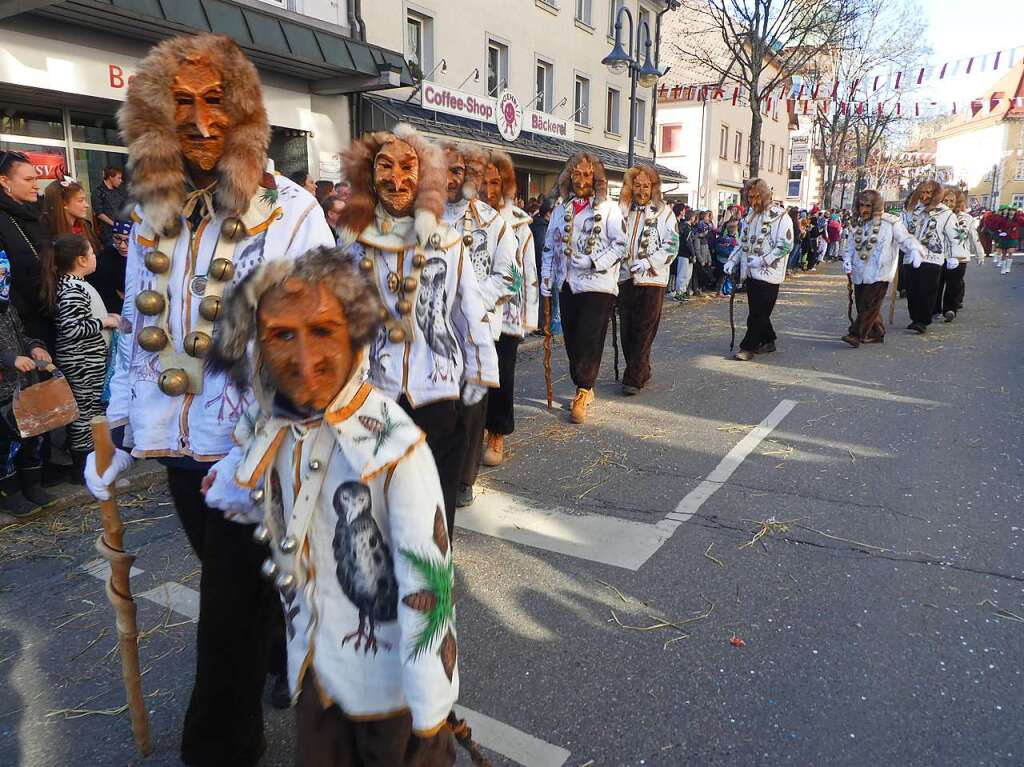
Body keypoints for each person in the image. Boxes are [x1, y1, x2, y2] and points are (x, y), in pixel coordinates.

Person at [84, 34, 334, 767]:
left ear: (245, 110)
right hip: (176, 446)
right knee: (237, 583)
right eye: (181, 103)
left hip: (260, 454)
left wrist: (260, 452)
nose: (199, 120)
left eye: (215, 101)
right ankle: (285, 646)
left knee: (223, 615)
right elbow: (135, 326)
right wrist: (123, 434)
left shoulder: (291, 213)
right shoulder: (150, 212)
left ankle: (221, 747)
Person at [204, 248, 459, 767]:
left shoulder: (392, 447)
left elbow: (428, 586)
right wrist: (233, 489)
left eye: (322, 331)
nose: (304, 361)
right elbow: (277, 509)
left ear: (355, 334)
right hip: (315, 670)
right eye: (281, 335)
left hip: (389, 693)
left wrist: (430, 706)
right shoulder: (273, 425)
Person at [336, 124, 497, 534]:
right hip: (375, 393)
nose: (395, 178)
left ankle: (435, 581)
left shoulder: (447, 241)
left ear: (425, 176)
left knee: (436, 504)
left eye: (408, 167)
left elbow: (469, 310)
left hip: (438, 389)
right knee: (382, 501)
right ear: (368, 177)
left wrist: (479, 371)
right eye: (384, 167)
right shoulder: (353, 246)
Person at [438, 141, 517, 508]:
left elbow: (508, 278)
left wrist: (468, 303)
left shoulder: (494, 222)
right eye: (442, 170)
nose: (449, 178)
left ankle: (464, 478)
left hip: (476, 332)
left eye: (456, 171)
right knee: (439, 408)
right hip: (435, 333)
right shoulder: (423, 218)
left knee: (471, 410)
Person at [540, 152, 621, 424]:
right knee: (572, 338)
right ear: (568, 177)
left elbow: (619, 245)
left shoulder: (608, 209)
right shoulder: (561, 210)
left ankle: (584, 388)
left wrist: (593, 261)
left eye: (587, 175)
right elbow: (550, 245)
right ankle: (585, 382)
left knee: (588, 335)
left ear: (596, 178)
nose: (581, 180)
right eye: (576, 174)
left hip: (598, 285)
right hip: (567, 283)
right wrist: (546, 278)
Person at [39, 233, 119, 481]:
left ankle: (93, 465)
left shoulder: (76, 284)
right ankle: (84, 469)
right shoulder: (73, 288)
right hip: (83, 363)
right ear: (82, 260)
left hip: (90, 362)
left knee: (91, 411)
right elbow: (73, 328)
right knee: (86, 415)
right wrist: (105, 321)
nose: (96, 257)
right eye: (93, 253)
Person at [476, 148, 538, 466]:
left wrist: (529, 317)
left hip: (507, 315)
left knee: (502, 375)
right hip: (470, 317)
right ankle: (471, 433)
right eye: (483, 181)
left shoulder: (518, 226)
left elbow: (525, 274)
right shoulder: (460, 220)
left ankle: (496, 433)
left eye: (495, 182)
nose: (489, 190)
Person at [613, 164, 678, 395]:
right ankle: (642, 368)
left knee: (644, 330)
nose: (642, 190)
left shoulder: (664, 213)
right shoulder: (623, 212)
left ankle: (633, 378)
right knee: (628, 331)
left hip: (652, 280)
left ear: (654, 188)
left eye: (646, 186)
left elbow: (672, 245)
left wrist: (649, 262)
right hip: (625, 279)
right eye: (637, 185)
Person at [0, 245, 54, 516]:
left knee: (33, 436)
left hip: (25, 385)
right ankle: (10, 492)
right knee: (6, 443)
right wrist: (10, 359)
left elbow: (23, 334)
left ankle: (32, 484)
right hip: (3, 389)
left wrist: (34, 347)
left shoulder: (7, 307)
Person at [841, 190, 924, 347]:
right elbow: (850, 245)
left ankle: (856, 335)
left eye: (868, 205)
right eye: (861, 205)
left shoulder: (891, 222)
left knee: (869, 303)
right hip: (860, 271)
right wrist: (846, 259)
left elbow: (905, 238)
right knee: (862, 304)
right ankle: (876, 332)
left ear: (875, 206)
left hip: (881, 271)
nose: (863, 209)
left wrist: (914, 249)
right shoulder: (858, 223)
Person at [724, 178, 794, 362]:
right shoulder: (749, 217)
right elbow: (742, 243)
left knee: (758, 313)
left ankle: (748, 346)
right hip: (751, 273)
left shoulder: (781, 217)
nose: (752, 201)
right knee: (758, 311)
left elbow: (785, 245)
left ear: (764, 195)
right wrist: (732, 260)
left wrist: (764, 260)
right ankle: (769, 339)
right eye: (749, 197)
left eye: (755, 197)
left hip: (770, 274)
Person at [904, 180, 967, 334]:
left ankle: (922, 321)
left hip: (933, 257)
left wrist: (954, 256)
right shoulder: (911, 210)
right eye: (922, 192)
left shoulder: (945, 213)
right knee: (912, 289)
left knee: (927, 289)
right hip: (911, 256)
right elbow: (902, 232)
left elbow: (956, 236)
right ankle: (915, 317)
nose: (925, 196)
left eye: (929, 193)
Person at [0, 151, 48, 342]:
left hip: (47, 313)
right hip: (21, 329)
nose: (36, 185)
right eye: (28, 179)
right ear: (4, 181)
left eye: (36, 179)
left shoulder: (33, 214)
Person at [933, 187, 981, 322]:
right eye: (946, 200)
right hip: (940, 255)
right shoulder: (935, 216)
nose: (949, 203)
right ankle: (934, 309)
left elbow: (974, 236)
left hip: (960, 256)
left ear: (958, 202)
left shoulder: (967, 218)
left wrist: (980, 253)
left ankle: (950, 309)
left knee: (954, 283)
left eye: (952, 200)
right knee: (937, 283)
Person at [41, 179, 101, 253]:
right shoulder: (47, 234)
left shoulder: (86, 226)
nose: (87, 205)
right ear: (64, 203)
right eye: (80, 200)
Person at [89, 219, 132, 313]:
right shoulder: (104, 258)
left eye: (128, 240)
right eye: (118, 238)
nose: (123, 246)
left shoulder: (143, 256)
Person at [530, 197, 553, 333]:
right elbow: (541, 248)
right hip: (539, 268)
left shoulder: (536, 224)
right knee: (541, 297)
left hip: (536, 267)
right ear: (548, 213)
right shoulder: (543, 228)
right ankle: (541, 325)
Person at [91, 166, 127, 247]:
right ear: (111, 177)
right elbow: (99, 213)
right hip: (108, 232)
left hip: (122, 229)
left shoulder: (118, 191)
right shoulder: (98, 192)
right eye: (119, 178)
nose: (121, 181)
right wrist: (114, 224)